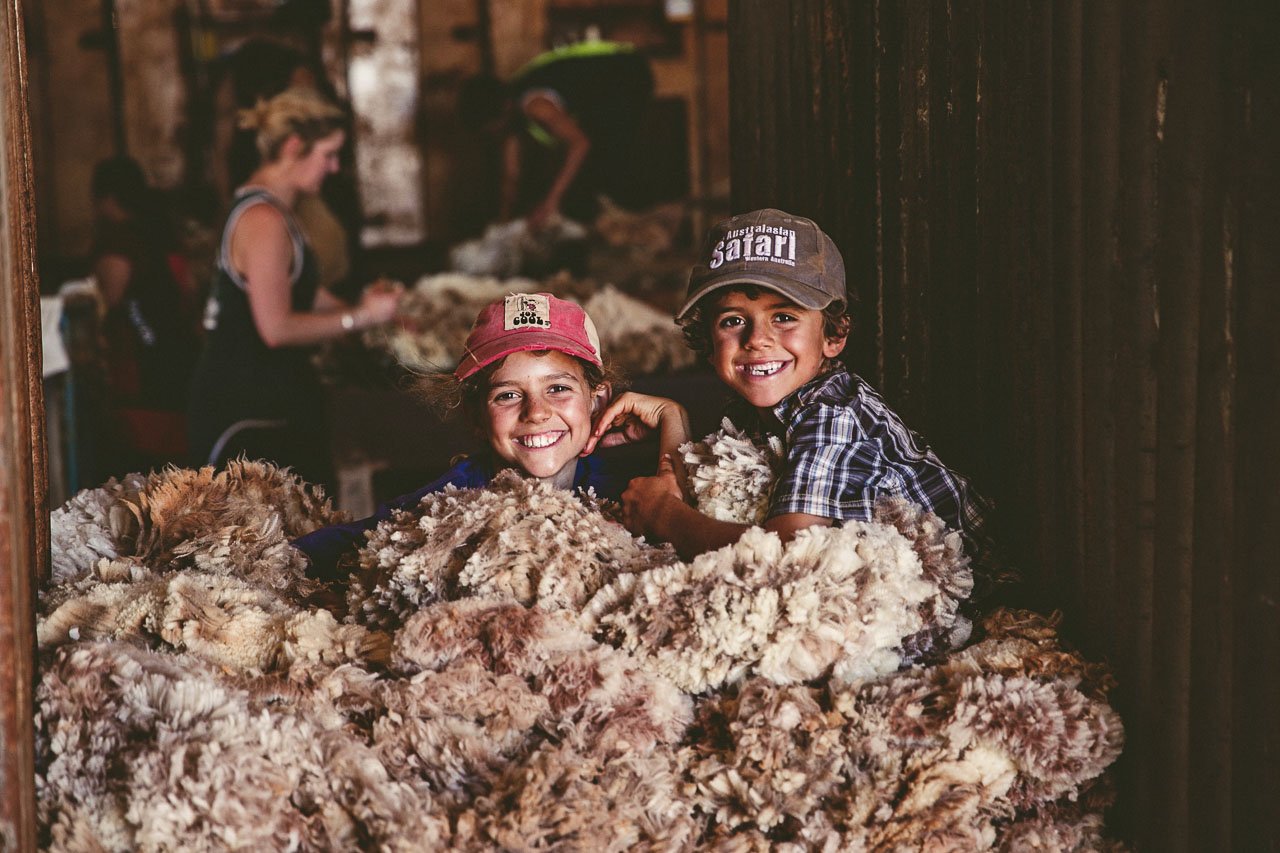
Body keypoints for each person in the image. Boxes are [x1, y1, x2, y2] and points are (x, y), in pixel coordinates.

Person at [620, 208, 995, 568]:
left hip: (968, 598)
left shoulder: (833, 413)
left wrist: (662, 516)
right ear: (707, 337)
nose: (757, 340)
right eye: (733, 320)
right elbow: (696, 500)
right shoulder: (752, 412)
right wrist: (673, 417)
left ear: (834, 335)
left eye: (784, 317)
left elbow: (785, 553)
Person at [292, 291, 691, 580]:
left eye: (558, 389)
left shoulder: (625, 492)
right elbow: (349, 544)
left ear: (597, 401)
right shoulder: (447, 506)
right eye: (508, 395)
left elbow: (685, 514)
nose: (536, 413)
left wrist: (675, 417)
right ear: (477, 417)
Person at [187, 87, 403, 488]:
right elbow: (276, 327)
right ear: (293, 147)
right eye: (328, 154)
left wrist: (375, 321)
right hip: (246, 410)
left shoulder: (275, 210)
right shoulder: (263, 219)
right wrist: (362, 317)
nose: (334, 168)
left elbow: (304, 291)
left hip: (269, 400)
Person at [458, 40, 655, 230]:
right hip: (610, 82)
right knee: (584, 176)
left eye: (490, 129)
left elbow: (580, 144)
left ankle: (630, 225)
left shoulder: (535, 105)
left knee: (606, 167)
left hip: (626, 74)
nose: (492, 134)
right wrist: (503, 222)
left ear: (501, 112)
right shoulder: (510, 108)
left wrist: (550, 203)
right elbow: (511, 175)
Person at [90, 155, 200, 469]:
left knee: (143, 459)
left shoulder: (119, 239)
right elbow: (188, 289)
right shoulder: (161, 231)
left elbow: (109, 300)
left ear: (107, 197)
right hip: (176, 350)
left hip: (142, 360)